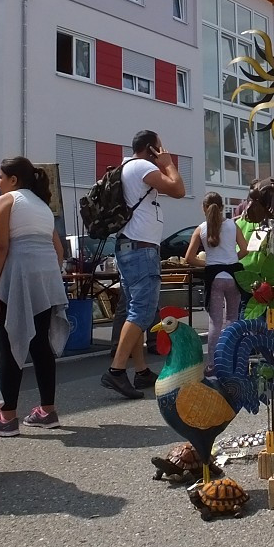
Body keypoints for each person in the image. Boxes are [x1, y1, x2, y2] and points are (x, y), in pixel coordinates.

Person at [0, 157, 69, 436]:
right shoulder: (42, 206)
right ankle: (47, 410)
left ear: (13, 180)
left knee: (10, 341)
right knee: (40, 344)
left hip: (20, 276)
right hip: (46, 279)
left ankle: (6, 417)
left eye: (0, 177)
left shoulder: (6, 202)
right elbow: (59, 251)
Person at [102, 130, 184, 399]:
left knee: (135, 311)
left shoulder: (128, 167)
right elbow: (178, 190)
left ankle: (140, 371)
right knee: (143, 312)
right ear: (151, 148)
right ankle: (116, 371)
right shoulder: (142, 166)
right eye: (159, 147)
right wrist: (168, 162)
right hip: (140, 249)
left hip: (130, 246)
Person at [185, 192, 247, 370]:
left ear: (204, 208)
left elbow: (189, 258)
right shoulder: (233, 225)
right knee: (232, 319)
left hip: (214, 278)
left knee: (215, 322)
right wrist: (230, 258)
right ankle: (232, 361)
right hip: (233, 277)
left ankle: (212, 364)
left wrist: (208, 263)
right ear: (222, 208)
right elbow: (245, 250)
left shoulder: (201, 229)